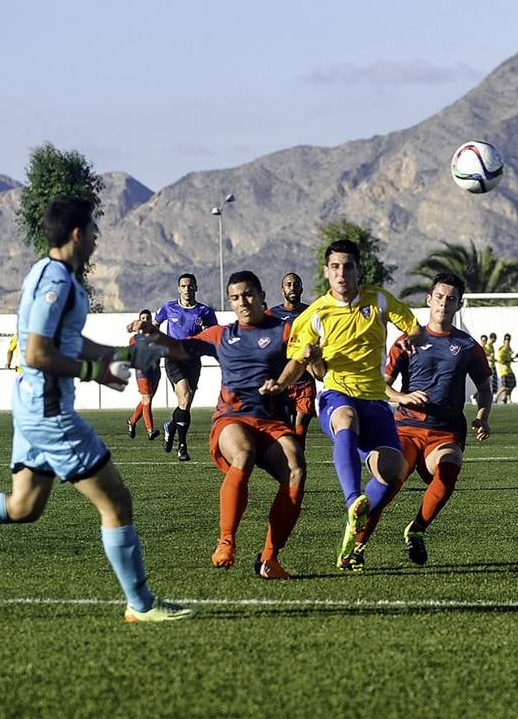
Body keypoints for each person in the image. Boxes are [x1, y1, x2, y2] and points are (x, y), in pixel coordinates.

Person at [0, 196, 191, 623]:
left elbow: (68, 342)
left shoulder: (52, 276)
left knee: (23, 507)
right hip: (48, 413)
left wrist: (121, 357)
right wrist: (89, 368)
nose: (98, 239)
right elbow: (38, 351)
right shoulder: (57, 282)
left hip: (33, 407)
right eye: (94, 230)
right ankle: (141, 605)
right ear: (78, 234)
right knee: (116, 502)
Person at [262, 239, 421, 572]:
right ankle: (352, 501)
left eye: (348, 265)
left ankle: (354, 531)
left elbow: (413, 328)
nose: (341, 272)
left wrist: (410, 339)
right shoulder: (315, 313)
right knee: (345, 418)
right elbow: (298, 361)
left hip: (376, 401)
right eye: (335, 266)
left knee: (393, 470)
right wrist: (281, 382)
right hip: (337, 394)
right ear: (326, 272)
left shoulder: (378, 299)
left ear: (358, 269)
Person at [156, 271, 306, 578]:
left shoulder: (285, 329)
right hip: (232, 420)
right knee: (243, 453)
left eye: (248, 295)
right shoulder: (222, 334)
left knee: (297, 469)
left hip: (272, 423)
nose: (242, 302)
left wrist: (307, 360)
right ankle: (226, 541)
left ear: (263, 296)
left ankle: (269, 559)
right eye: (235, 298)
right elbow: (181, 348)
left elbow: (309, 363)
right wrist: (152, 336)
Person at [377, 272, 493, 565]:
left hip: (446, 432)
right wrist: (402, 397)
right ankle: (358, 543)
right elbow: (382, 385)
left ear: (459, 305)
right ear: (429, 300)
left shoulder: (467, 346)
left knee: (448, 473)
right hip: (405, 428)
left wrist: (482, 416)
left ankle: (416, 530)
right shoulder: (406, 340)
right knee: (389, 484)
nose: (444, 303)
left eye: (451, 299)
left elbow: (484, 387)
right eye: (439, 297)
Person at [155, 273, 217, 461]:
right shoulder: (168, 308)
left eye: (190, 286)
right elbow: (154, 324)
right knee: (185, 396)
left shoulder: (205, 312)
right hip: (173, 359)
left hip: (193, 360)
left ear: (196, 288)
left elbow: (215, 333)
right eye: (183, 286)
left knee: (185, 405)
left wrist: (208, 335)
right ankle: (182, 447)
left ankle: (171, 427)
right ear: (178, 288)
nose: (187, 289)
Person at [267, 271, 317, 444]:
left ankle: (298, 457)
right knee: (285, 428)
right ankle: (289, 460)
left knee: (301, 427)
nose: (292, 288)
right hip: (283, 381)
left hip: (305, 381)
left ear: (302, 288)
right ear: (282, 290)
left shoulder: (311, 313)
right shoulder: (272, 315)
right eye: (288, 284)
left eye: (296, 284)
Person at [126, 309, 161, 440]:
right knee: (147, 399)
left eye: (147, 318)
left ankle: (131, 421)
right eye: (142, 318)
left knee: (146, 400)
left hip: (155, 371)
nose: (144, 320)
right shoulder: (134, 339)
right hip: (142, 372)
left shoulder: (157, 336)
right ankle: (150, 430)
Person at [495, 333, 518, 404]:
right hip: (504, 371)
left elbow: (510, 359)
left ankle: (508, 399)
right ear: (504, 342)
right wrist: (508, 360)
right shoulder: (501, 351)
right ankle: (496, 397)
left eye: (508, 341)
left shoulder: (509, 350)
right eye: (506, 342)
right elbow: (501, 361)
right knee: (505, 386)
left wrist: (515, 357)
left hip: (509, 370)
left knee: (512, 385)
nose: (507, 343)